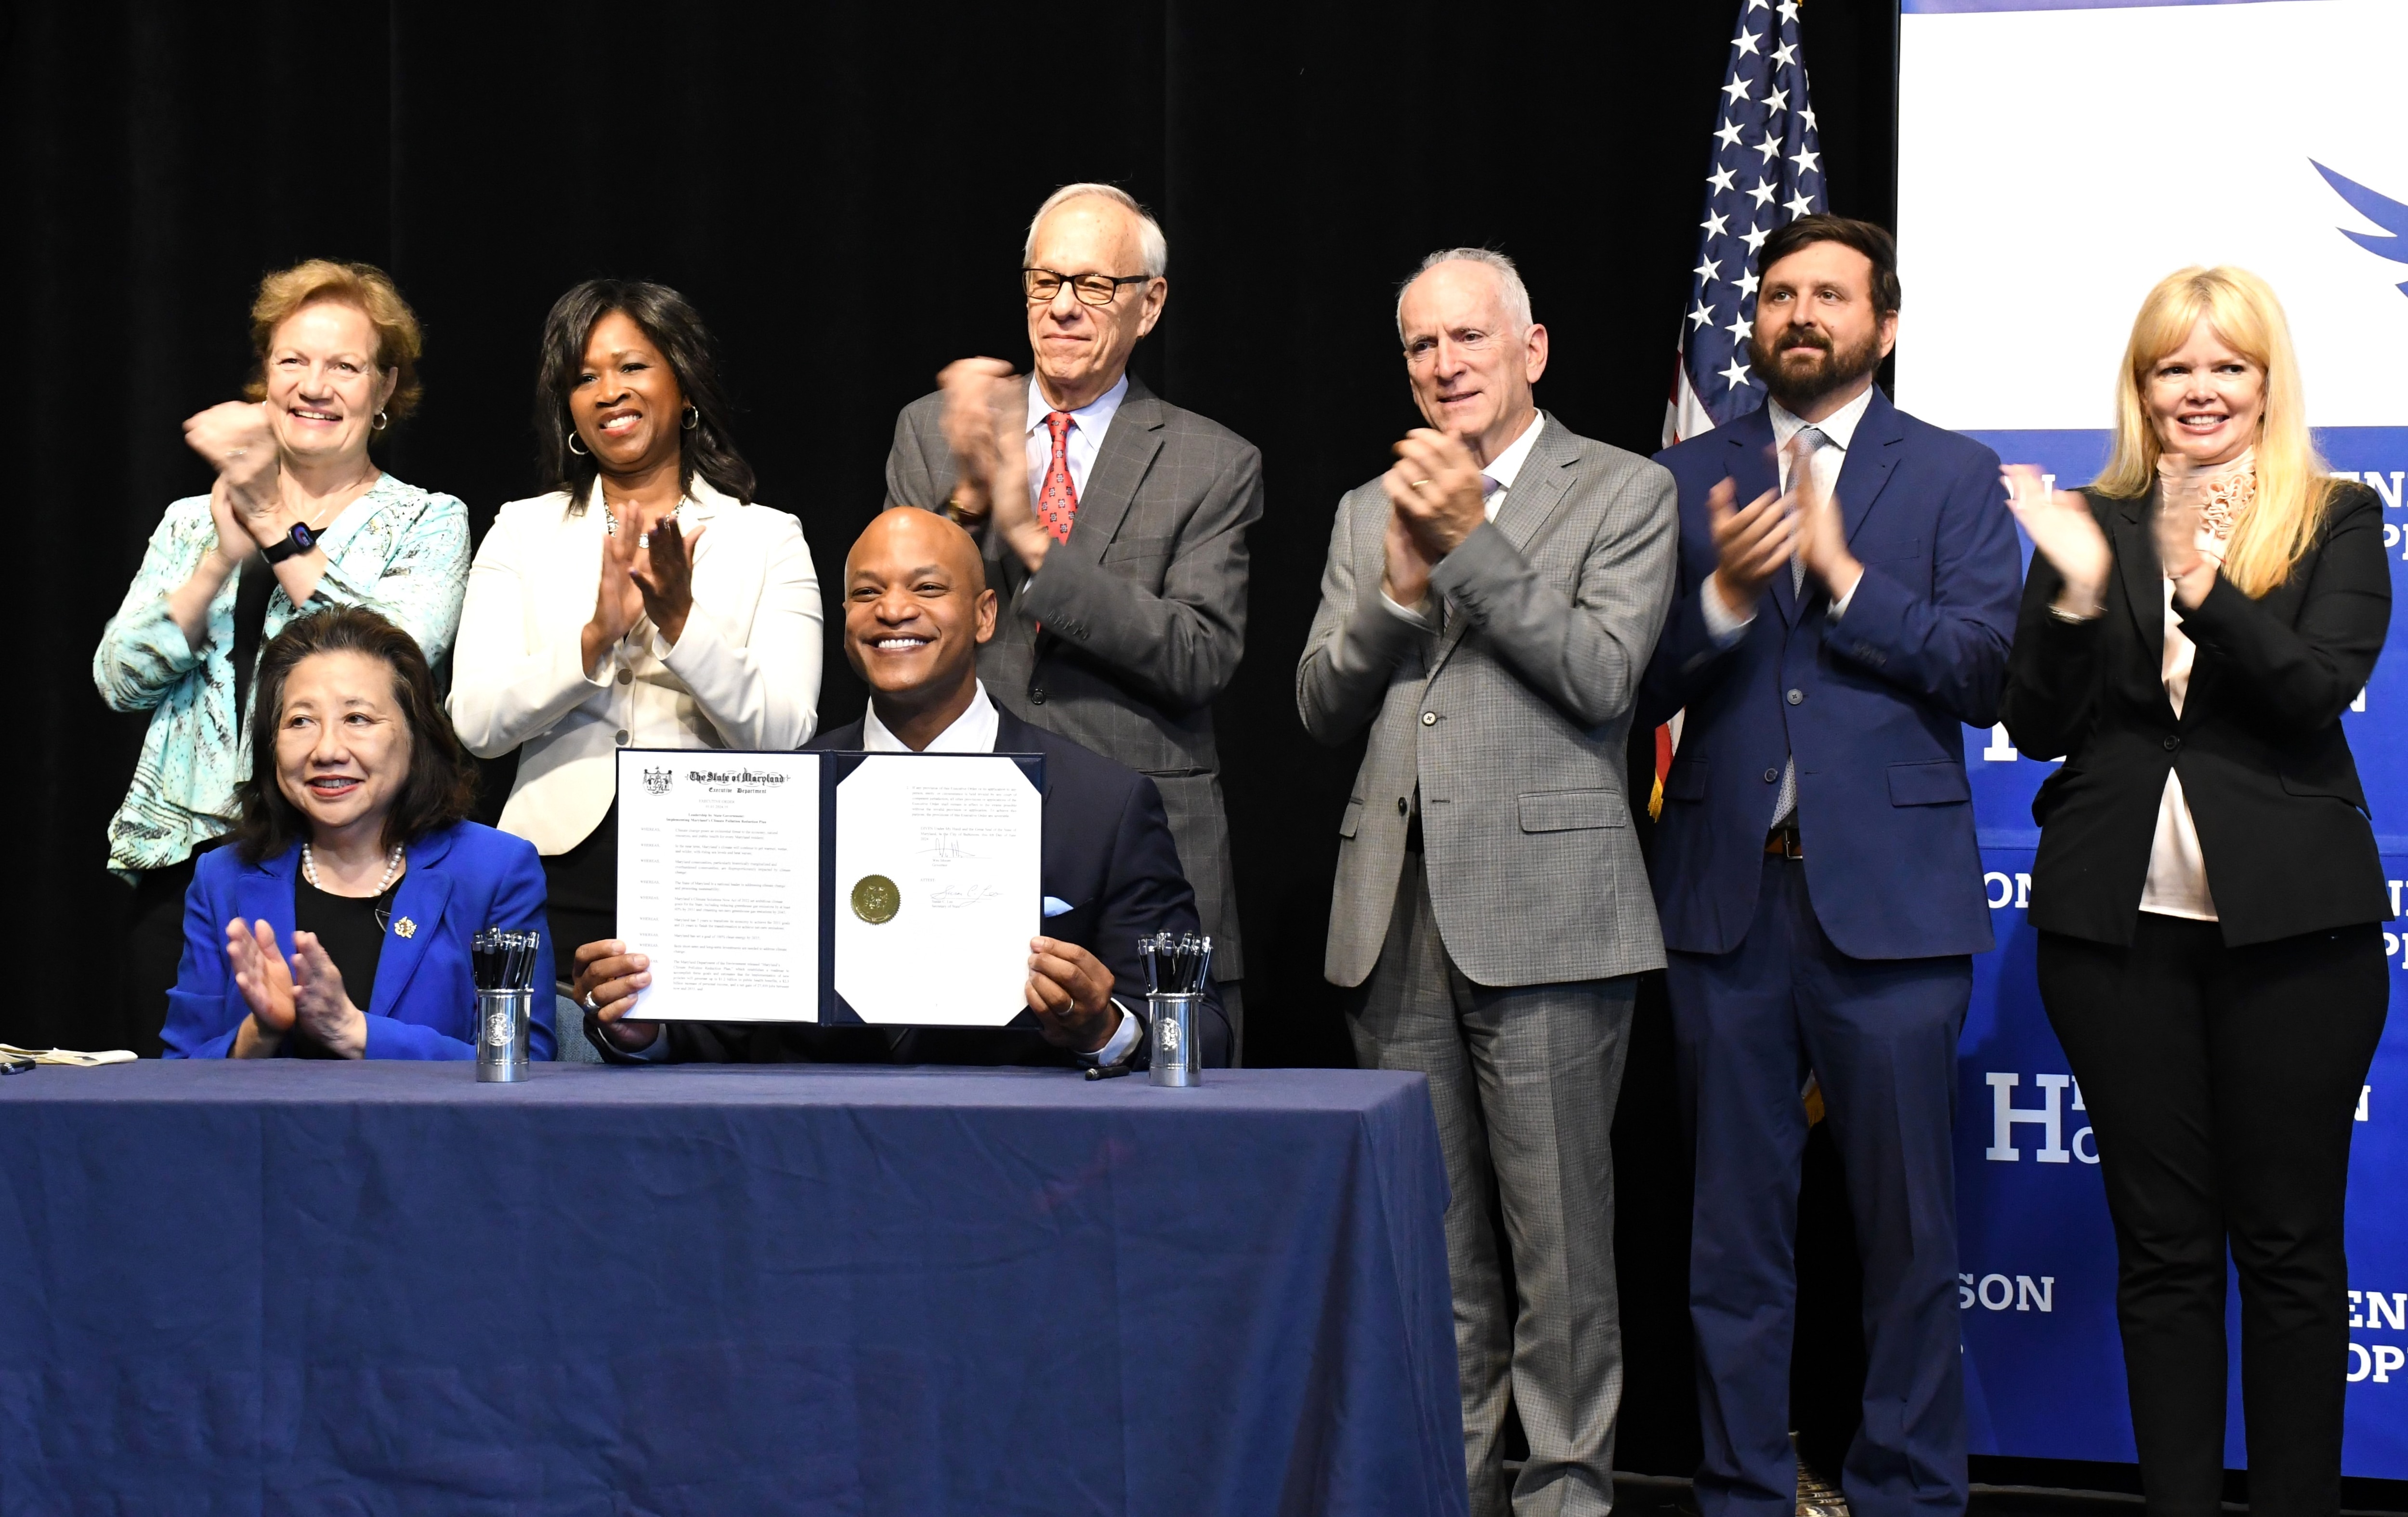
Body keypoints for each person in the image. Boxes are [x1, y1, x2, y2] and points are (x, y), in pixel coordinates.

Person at [1638, 214, 2022, 1517]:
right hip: (1727, 900)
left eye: (1830, 295)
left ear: (1886, 324)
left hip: (1894, 907)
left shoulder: (1952, 476)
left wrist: (1846, 577)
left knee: (1905, 1233)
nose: (1802, 313)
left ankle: (1909, 1489)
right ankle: (1744, 1488)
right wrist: (1722, 608)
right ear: (1755, 319)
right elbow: (1627, 684)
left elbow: (1984, 671)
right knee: (1731, 1236)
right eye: (1781, 293)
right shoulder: (1688, 475)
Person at [2000, 267, 2388, 1517]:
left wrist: (2201, 583)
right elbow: (2038, 720)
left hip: (2298, 940)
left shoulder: (2334, 517)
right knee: (2162, 1252)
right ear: (2144, 387)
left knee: (2287, 1252)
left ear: (2267, 381)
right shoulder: (2094, 519)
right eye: (2176, 366)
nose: (2201, 389)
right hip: (2115, 936)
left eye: (2227, 364)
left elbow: (2310, 691)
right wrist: (2071, 592)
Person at [1296, 248, 1675, 1517]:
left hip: (1552, 921)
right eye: (1420, 345)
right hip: (1393, 916)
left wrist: (1467, 546)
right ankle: (1440, 1489)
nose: (1443, 364)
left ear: (1534, 349)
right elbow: (1316, 702)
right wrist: (1395, 599)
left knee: (1560, 1256)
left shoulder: (1622, 489)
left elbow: (1602, 672)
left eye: (1468, 338)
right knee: (1438, 1258)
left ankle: (1567, 1491)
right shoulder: (1366, 506)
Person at [579, 507, 1226, 1070]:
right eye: (867, 592)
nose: (892, 609)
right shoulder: (774, 798)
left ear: (983, 616)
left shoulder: (1102, 805)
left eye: (927, 587)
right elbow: (719, 1025)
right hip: (807, 1165)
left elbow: (1202, 1030)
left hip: (1024, 1172)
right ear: (844, 619)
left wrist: (1105, 1028)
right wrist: (646, 1027)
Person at [885, 183, 1259, 1055]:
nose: (1060, 306)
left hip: (1146, 861)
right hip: (959, 847)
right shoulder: (932, 433)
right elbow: (899, 629)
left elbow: (1199, 655)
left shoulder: (1213, 460)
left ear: (1149, 303)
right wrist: (970, 502)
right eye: (1044, 279)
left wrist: (1032, 540)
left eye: (1092, 285)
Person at [95, 259, 471, 1056]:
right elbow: (118, 679)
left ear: (384, 389)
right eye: (293, 361)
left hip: (352, 861)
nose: (315, 385)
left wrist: (273, 526)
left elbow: (395, 656)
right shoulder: (192, 519)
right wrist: (211, 567)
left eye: (344, 365)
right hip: (189, 861)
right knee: (181, 1115)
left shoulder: (428, 522)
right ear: (264, 378)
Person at [448, 280, 823, 963]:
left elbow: (785, 734)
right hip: (549, 871)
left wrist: (680, 624)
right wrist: (592, 641)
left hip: (715, 868)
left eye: (632, 366)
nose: (608, 391)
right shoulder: (522, 530)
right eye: (584, 377)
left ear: (684, 388)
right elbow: (476, 723)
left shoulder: (767, 538)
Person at [161, 607, 554, 1060]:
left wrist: (354, 1031)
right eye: (300, 721)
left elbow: (524, 1062)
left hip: (427, 1133)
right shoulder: (222, 877)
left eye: (358, 719)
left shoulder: (495, 872)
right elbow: (180, 1071)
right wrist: (261, 1032)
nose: (327, 750)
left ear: (415, 735)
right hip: (268, 1133)